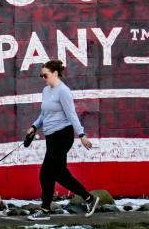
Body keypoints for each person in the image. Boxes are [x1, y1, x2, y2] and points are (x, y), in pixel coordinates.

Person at [25, 59, 100, 220]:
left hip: (63, 136)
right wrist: (34, 126)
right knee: (59, 172)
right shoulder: (46, 91)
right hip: (51, 137)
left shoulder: (63, 91)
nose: (43, 78)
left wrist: (81, 135)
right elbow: (45, 114)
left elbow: (72, 114)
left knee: (47, 173)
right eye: (41, 76)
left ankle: (45, 210)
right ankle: (89, 199)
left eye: (45, 75)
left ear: (55, 73)